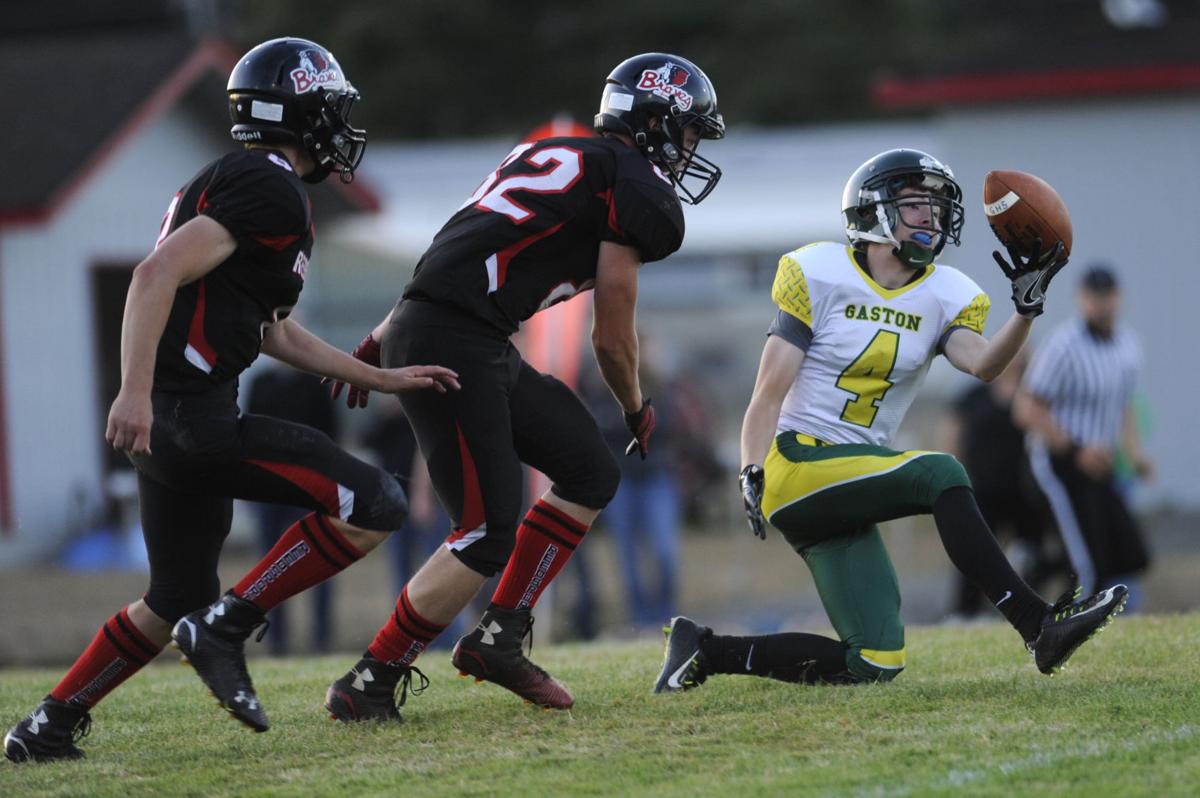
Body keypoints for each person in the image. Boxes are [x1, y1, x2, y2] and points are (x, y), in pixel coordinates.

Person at [3, 37, 459, 762]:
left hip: (176, 423)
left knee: (171, 595)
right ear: (300, 112)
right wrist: (135, 392)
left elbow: (272, 330)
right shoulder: (269, 185)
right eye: (331, 109)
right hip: (191, 417)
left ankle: (46, 726)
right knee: (375, 503)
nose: (341, 125)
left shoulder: (243, 182)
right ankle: (226, 624)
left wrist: (381, 379)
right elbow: (153, 276)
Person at [321, 52, 725, 722]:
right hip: (457, 340)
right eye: (686, 133)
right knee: (482, 533)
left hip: (461, 332)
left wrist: (385, 330)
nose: (689, 151)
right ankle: (370, 678)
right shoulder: (636, 189)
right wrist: (634, 404)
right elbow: (611, 338)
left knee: (589, 471)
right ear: (655, 123)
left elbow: (460, 244)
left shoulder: (554, 156)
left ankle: (499, 639)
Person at [654, 149, 1127, 694]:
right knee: (941, 472)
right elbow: (767, 392)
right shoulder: (819, 272)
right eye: (918, 205)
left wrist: (1025, 309)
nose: (933, 218)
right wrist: (749, 467)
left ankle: (703, 650)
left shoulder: (944, 292)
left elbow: (985, 365)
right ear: (874, 210)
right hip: (796, 461)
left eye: (938, 207)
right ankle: (1037, 625)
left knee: (874, 662)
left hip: (849, 483)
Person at [1014, 265, 1151, 600]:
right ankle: (1064, 627)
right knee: (1089, 566)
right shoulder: (1063, 345)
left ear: (1119, 298)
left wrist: (1133, 454)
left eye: (1108, 296)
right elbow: (1026, 408)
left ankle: (1038, 566)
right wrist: (1076, 450)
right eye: (1095, 297)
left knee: (1132, 555)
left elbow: (1125, 404)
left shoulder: (1128, 345)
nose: (1102, 305)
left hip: (1099, 464)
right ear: (1081, 299)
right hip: (1058, 464)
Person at [941, 351, 1060, 618]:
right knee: (975, 552)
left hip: (1026, 492)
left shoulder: (1035, 396)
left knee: (1031, 553)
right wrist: (953, 473)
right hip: (983, 490)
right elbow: (953, 433)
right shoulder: (975, 395)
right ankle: (964, 612)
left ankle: (1031, 612)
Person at [245, 363, 340, 654]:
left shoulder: (317, 382)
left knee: (320, 560)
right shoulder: (260, 383)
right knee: (270, 565)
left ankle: (322, 638)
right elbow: (247, 434)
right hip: (268, 487)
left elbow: (331, 437)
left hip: (309, 487)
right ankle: (277, 640)